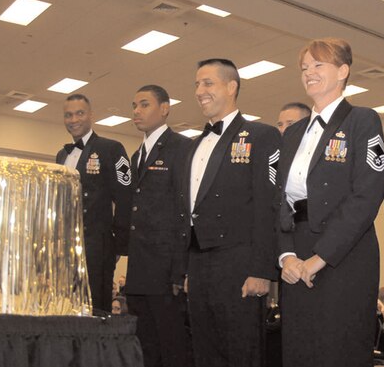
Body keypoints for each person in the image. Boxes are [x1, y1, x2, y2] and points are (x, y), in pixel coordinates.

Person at [276, 38, 384, 367]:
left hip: (343, 255)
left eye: (318, 65)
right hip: (296, 256)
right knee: (299, 349)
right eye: (304, 68)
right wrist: (286, 256)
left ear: (342, 71)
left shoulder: (363, 121)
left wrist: (318, 258)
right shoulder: (293, 134)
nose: (309, 73)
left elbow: (366, 196)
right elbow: (278, 201)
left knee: (340, 349)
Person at [178, 58, 282, 367]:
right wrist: (186, 268)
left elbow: (269, 205)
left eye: (208, 83)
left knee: (242, 351)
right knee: (205, 350)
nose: (199, 91)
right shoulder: (193, 145)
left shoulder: (261, 136)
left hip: (240, 264)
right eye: (197, 84)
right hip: (199, 263)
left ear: (232, 86)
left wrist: (262, 269)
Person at [125, 84, 193, 367]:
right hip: (139, 267)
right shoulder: (137, 155)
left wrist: (180, 268)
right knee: (145, 346)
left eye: (144, 104)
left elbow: (183, 210)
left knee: (173, 345)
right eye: (134, 105)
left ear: (164, 109)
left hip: (166, 268)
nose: (136, 112)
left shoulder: (182, 148)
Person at [56, 93, 132, 314]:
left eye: (79, 113)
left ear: (91, 115)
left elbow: (125, 196)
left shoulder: (112, 149)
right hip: (68, 247)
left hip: (97, 246)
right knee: (68, 306)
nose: (74, 119)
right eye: (68, 115)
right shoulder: (61, 155)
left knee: (95, 308)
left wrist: (118, 242)